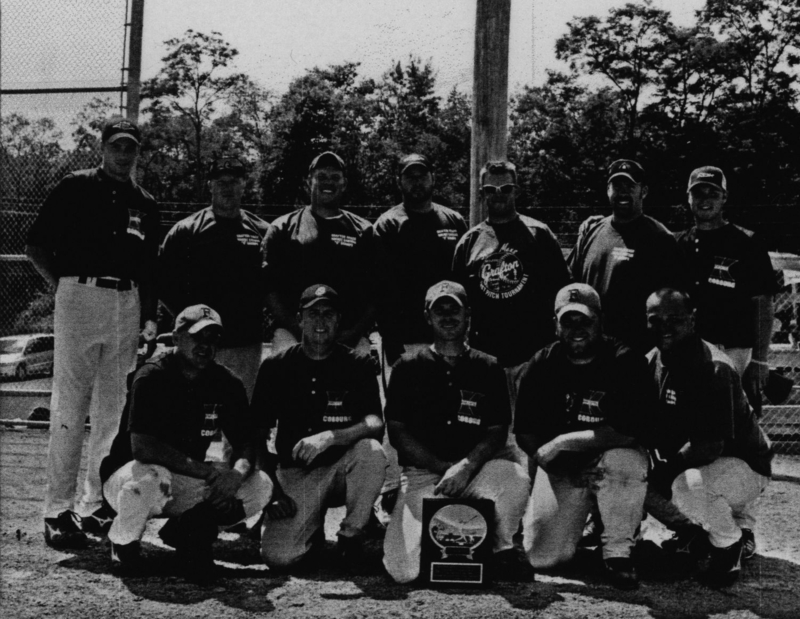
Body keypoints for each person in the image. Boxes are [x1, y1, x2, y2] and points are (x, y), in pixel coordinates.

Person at [26, 116, 160, 546]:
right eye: (117, 146)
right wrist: (66, 286)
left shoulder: (145, 201)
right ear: (102, 148)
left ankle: (95, 504)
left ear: (138, 153)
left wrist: (150, 315)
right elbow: (37, 246)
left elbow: (149, 267)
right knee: (70, 405)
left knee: (113, 409)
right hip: (80, 293)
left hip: (127, 301)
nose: (124, 154)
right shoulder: (76, 186)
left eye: (131, 148)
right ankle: (57, 509)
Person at [99, 304, 272, 583]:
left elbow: (245, 444)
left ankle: (185, 530)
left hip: (185, 478)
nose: (205, 346)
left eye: (213, 338)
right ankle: (123, 542)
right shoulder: (152, 375)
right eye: (197, 337)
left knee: (260, 484)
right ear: (176, 337)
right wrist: (209, 472)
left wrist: (236, 475)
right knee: (152, 476)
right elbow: (142, 448)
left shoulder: (226, 382)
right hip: (130, 477)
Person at [382, 280, 531, 584]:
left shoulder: (489, 367)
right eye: (440, 310)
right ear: (427, 316)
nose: (448, 316)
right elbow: (397, 432)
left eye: (455, 309)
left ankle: (500, 546)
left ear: (469, 316)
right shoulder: (407, 367)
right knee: (402, 572)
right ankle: (436, 531)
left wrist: (465, 467)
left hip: (475, 472)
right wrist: (441, 468)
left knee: (515, 478)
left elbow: (496, 430)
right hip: (424, 475)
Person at [514, 283, 656, 590]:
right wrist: (564, 469)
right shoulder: (541, 364)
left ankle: (619, 552)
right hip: (568, 470)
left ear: (600, 321)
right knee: (542, 558)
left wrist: (564, 441)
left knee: (624, 461)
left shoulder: (625, 361)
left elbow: (630, 431)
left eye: (585, 320)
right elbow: (525, 433)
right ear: (555, 324)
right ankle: (589, 521)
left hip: (612, 458)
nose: (577, 329)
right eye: (568, 321)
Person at [252, 284, 387, 570]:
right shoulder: (276, 367)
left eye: (329, 314)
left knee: (371, 451)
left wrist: (332, 437)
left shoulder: (358, 363)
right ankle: (311, 535)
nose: (321, 321)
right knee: (279, 557)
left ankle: (351, 537)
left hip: (342, 469)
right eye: (313, 313)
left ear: (339, 320)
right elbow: (256, 435)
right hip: (295, 474)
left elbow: (375, 422)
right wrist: (272, 491)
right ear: (299, 319)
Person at [645, 288, 773, 587]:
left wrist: (663, 472)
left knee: (684, 485)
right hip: (711, 466)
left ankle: (728, 545)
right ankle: (696, 534)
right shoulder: (653, 359)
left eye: (674, 319)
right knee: (637, 474)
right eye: (655, 319)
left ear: (692, 319)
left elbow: (709, 446)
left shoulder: (713, 367)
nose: (664, 326)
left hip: (746, 466)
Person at [452, 160, 570, 405]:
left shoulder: (539, 235)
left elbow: (563, 295)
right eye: (490, 189)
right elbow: (457, 303)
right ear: (482, 193)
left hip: (533, 360)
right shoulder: (469, 242)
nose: (498, 195)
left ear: (516, 190)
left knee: (531, 436)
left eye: (505, 188)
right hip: (485, 361)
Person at [158, 154, 269, 399]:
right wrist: (186, 322)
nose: (227, 187)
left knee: (240, 418)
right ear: (210, 185)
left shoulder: (262, 232)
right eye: (221, 181)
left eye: (234, 181)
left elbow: (272, 284)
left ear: (244, 184)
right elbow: (162, 282)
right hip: (197, 343)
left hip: (244, 342)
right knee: (192, 418)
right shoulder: (187, 230)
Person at [676, 166, 779, 413]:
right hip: (692, 352)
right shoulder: (678, 244)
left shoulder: (747, 242)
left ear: (725, 197)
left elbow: (763, 303)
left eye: (712, 193)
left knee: (741, 429)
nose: (705, 200)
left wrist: (759, 359)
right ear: (688, 198)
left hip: (735, 352)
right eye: (698, 193)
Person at [262, 151, 376, 355]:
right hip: (294, 334)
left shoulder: (364, 231)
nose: (328, 182)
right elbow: (270, 290)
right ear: (309, 181)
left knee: (361, 370)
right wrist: (300, 331)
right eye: (321, 177)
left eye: (335, 177)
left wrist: (352, 334)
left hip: (348, 337)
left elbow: (375, 293)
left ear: (345, 183)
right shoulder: (282, 228)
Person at [568, 159, 686, 353]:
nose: (623, 192)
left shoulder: (661, 239)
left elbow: (673, 306)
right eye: (616, 185)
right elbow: (572, 285)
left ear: (644, 191)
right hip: (591, 349)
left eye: (630, 186)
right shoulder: (591, 232)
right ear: (607, 190)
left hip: (637, 353)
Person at [373, 153, 467, 365]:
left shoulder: (454, 221)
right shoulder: (387, 225)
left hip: (450, 337)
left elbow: (464, 283)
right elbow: (381, 290)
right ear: (399, 182)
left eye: (422, 175)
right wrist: (392, 341)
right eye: (410, 176)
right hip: (407, 340)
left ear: (433, 178)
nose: (417, 182)